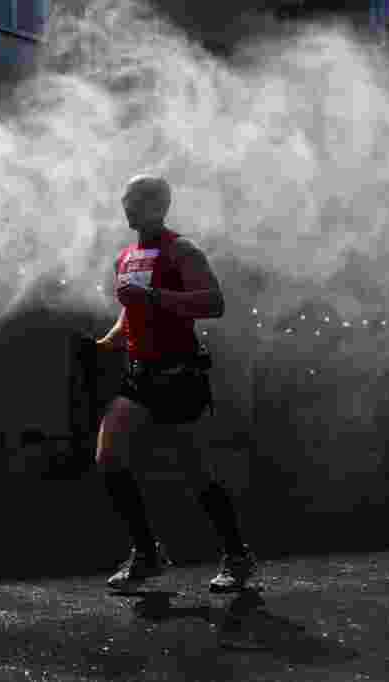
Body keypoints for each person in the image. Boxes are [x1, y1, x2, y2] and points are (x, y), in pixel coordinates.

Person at [96, 175, 256, 592]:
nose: (125, 205)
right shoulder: (125, 256)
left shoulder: (182, 250)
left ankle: (237, 558)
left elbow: (213, 303)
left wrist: (155, 299)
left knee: (196, 473)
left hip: (179, 375)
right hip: (139, 375)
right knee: (108, 457)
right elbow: (130, 307)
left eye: (133, 199)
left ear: (156, 205)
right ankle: (146, 554)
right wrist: (116, 334)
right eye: (125, 198)